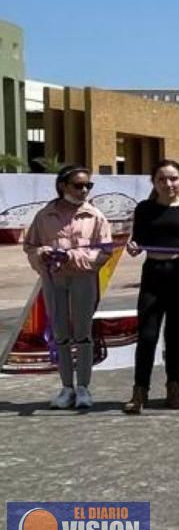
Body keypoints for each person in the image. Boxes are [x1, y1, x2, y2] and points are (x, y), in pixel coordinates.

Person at [23, 165, 112, 410]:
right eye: (78, 185)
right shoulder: (44, 215)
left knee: (83, 333)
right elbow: (30, 246)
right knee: (60, 333)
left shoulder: (95, 216)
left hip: (83, 278)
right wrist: (41, 254)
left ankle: (83, 387)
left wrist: (72, 257)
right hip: (53, 279)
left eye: (88, 186)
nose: (84, 190)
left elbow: (105, 251)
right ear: (63, 186)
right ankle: (66, 387)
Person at [123, 160, 179, 414]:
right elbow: (138, 241)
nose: (168, 184)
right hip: (153, 274)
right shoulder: (145, 209)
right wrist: (133, 247)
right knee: (147, 335)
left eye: (173, 179)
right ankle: (140, 391)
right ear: (154, 182)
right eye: (162, 179)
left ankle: (174, 388)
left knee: (175, 334)